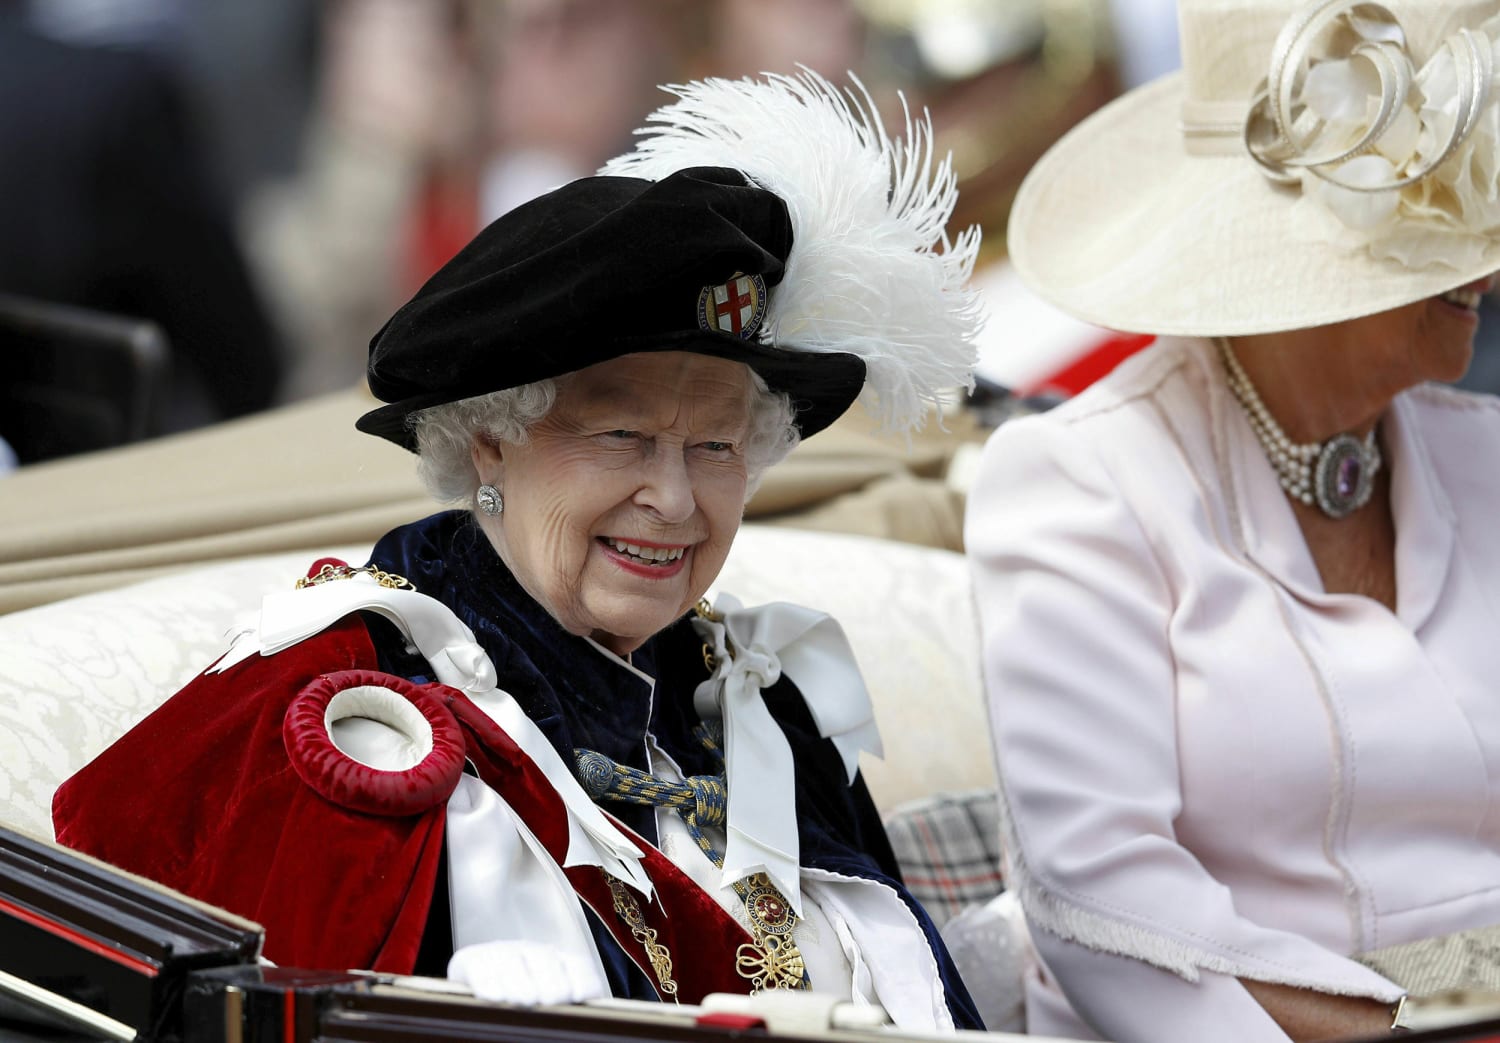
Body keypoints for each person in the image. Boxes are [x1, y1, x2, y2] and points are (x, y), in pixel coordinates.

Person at [53, 71, 984, 1030]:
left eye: (715, 446)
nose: (673, 498)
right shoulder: (358, 717)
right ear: (492, 436)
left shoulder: (757, 698)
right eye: (622, 436)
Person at [962, 1, 1500, 1041]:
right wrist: (1419, 1027)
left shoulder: (1486, 452)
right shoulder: (1080, 480)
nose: (1487, 264)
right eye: (1448, 224)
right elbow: (1107, 912)